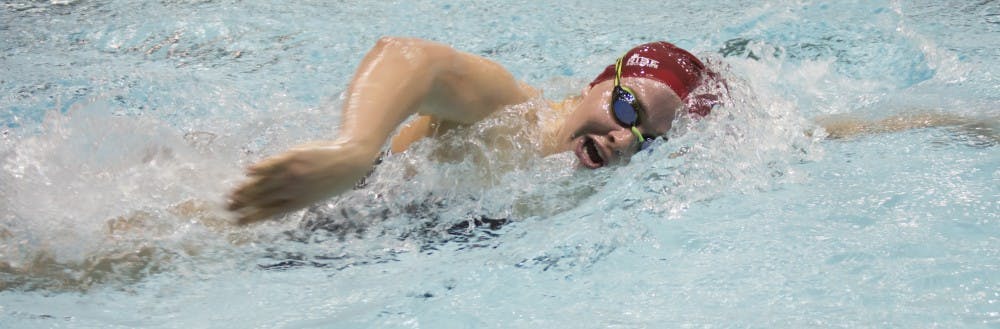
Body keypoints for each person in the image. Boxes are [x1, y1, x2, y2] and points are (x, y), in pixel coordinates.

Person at [226, 36, 987, 225]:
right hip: (298, 195)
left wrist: (969, 121)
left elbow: (817, 132)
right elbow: (410, 60)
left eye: (647, 139)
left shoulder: (574, 177)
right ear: (600, 81)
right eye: (626, 110)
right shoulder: (513, 111)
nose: (625, 138)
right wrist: (353, 148)